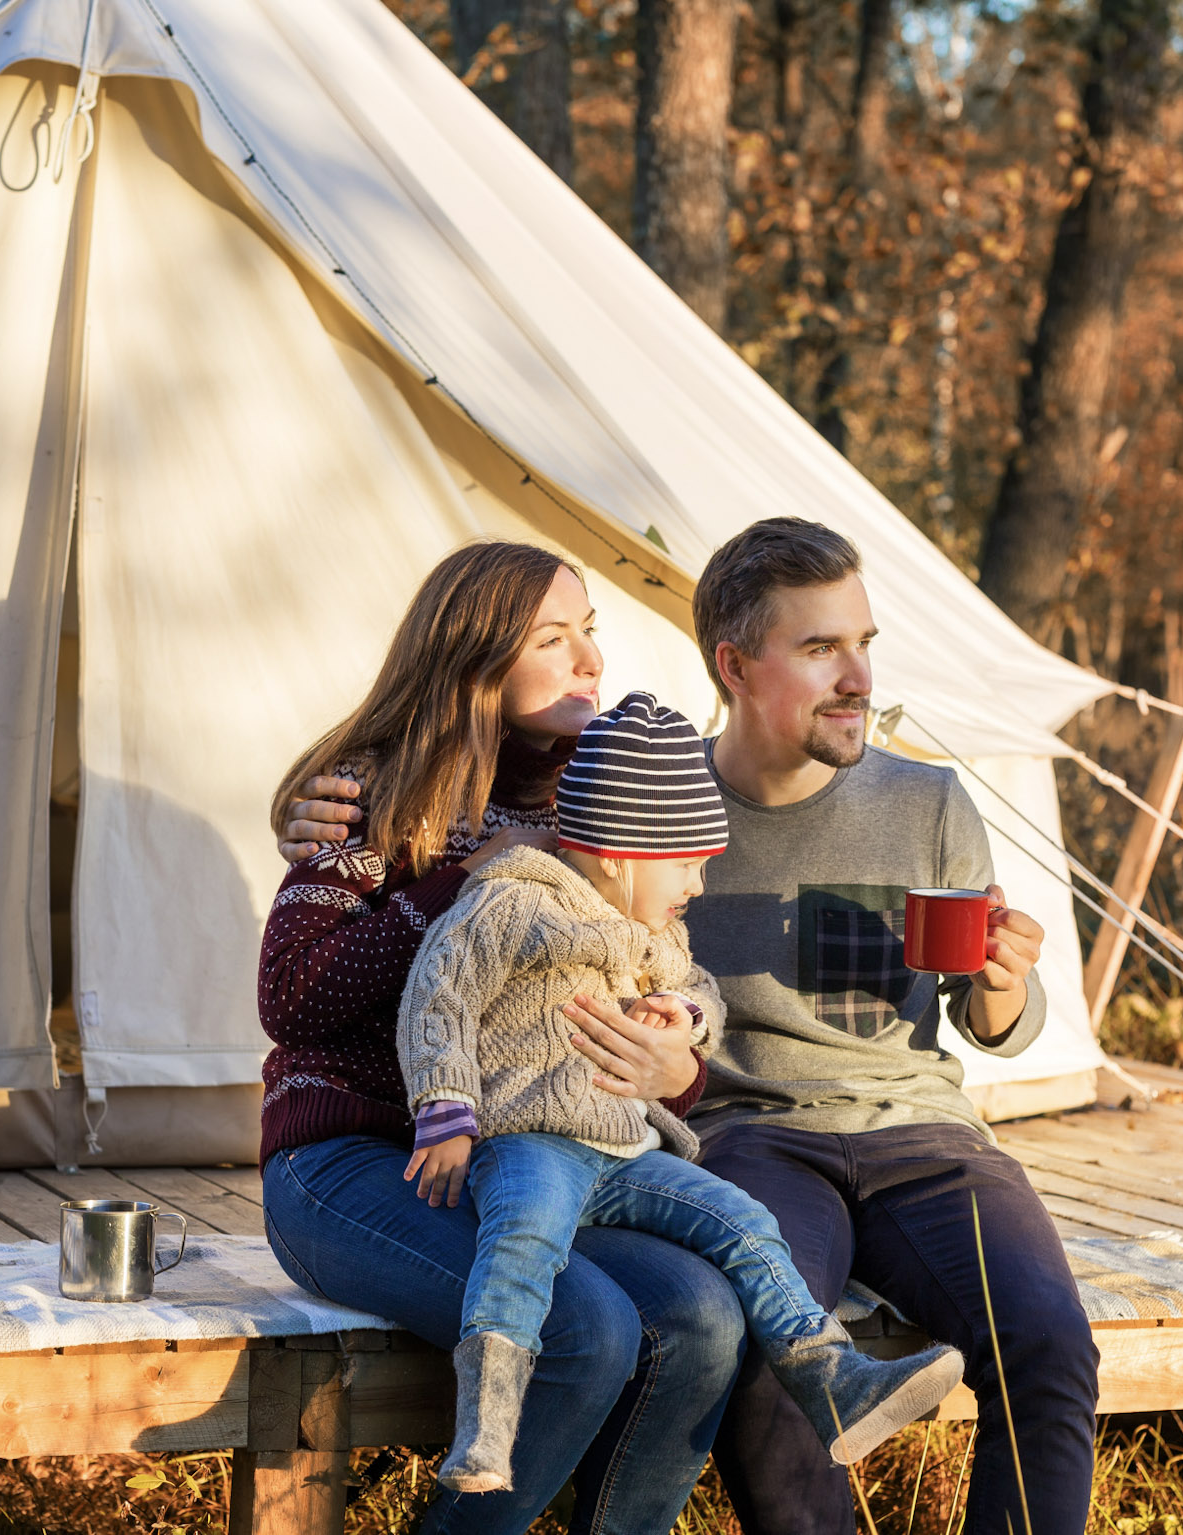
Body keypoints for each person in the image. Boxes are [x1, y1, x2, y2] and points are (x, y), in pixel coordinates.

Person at [282, 519, 1100, 1535]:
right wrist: (382, 840)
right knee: (721, 1346)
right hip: (721, 1136)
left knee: (1042, 1339)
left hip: (913, 1133)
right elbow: (444, 942)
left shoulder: (914, 800)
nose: (857, 676)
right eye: (820, 647)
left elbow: (978, 1022)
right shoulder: (627, 801)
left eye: (863, 643)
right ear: (734, 666)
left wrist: (1002, 985)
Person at [257, 541, 747, 1535]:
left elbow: (644, 989)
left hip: (531, 1159)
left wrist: (675, 1064)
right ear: (474, 659)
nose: (590, 661)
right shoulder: (372, 796)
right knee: (584, 1327)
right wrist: (463, 878)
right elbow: (294, 996)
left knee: (702, 1317)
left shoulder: (599, 795)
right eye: (552, 639)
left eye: (589, 633)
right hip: (348, 1159)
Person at [397, 692, 963, 1494]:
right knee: (523, 1243)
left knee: (744, 1219)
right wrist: (446, 1108)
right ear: (619, 853)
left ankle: (832, 1377)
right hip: (531, 1140)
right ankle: (485, 1431)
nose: (699, 883)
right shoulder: (512, 903)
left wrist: (685, 1012)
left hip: (626, 1150)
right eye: (688, 862)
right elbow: (437, 995)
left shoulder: (657, 933)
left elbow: (703, 988)